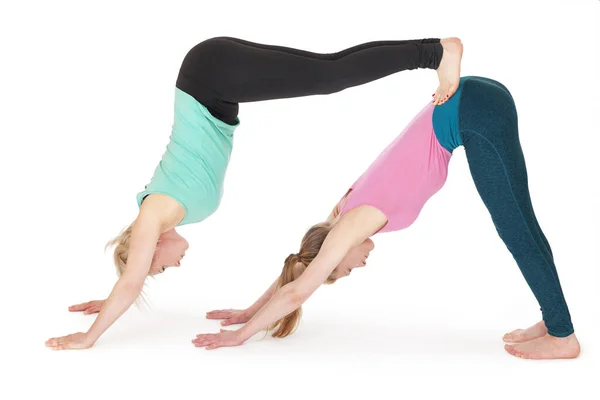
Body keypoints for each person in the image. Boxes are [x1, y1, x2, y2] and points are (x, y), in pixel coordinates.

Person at [45, 36, 464, 350]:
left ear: (148, 247)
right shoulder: (170, 212)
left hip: (211, 78)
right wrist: (248, 315)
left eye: (159, 268)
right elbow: (129, 280)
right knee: (328, 71)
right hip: (215, 84)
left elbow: (131, 282)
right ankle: (431, 51)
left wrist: (89, 337)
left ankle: (434, 52)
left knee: (329, 76)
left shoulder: (153, 213)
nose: (169, 267)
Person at [194, 76, 581, 360]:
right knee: (522, 226)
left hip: (476, 111)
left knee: (516, 229)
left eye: (344, 270)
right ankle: (554, 320)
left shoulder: (350, 225)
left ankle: (563, 336)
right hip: (475, 102)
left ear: (334, 250)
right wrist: (250, 310)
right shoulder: (342, 210)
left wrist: (240, 335)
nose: (357, 266)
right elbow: (297, 267)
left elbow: (298, 289)